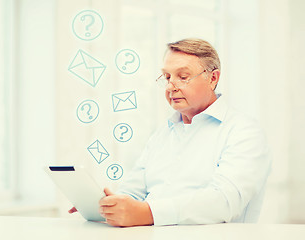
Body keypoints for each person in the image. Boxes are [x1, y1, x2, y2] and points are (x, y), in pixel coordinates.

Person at [69, 38, 271, 227]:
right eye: (167, 77)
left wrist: (148, 213)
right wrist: (109, 206)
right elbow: (134, 191)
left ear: (213, 78)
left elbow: (225, 202)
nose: (170, 86)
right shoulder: (162, 134)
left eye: (182, 77)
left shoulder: (244, 132)